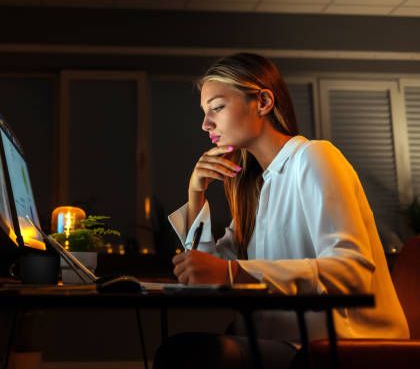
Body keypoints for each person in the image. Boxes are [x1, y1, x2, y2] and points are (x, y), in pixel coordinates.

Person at [154, 53, 409, 368]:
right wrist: (196, 194)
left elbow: (351, 272)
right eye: (205, 112)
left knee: (187, 354)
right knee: (180, 350)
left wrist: (235, 273)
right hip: (280, 340)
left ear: (262, 101)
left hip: (340, 343)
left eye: (217, 107)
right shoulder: (255, 191)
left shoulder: (314, 157)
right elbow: (206, 275)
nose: (206, 124)